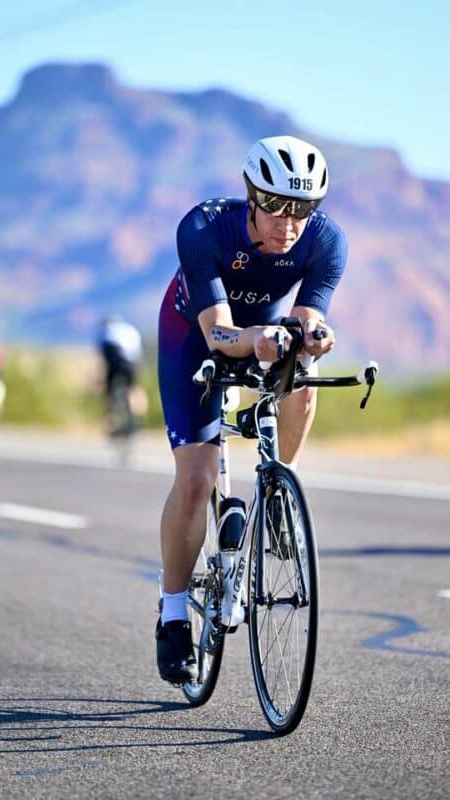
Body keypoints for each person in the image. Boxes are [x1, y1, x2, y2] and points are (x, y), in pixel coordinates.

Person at [156, 135, 347, 683]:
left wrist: (314, 334)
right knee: (194, 479)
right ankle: (172, 614)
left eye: (304, 209)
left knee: (303, 383)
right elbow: (218, 331)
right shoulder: (203, 227)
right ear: (251, 196)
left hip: (265, 334)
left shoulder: (327, 241)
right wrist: (256, 335)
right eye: (279, 206)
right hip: (195, 336)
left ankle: (276, 488)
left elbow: (309, 315)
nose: (291, 222)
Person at [94, 315, 146, 433]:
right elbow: (137, 354)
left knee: (107, 390)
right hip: (131, 363)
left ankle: (111, 419)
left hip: (115, 360)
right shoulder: (131, 329)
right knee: (133, 389)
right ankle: (138, 417)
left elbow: (102, 357)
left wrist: (99, 378)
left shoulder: (105, 330)